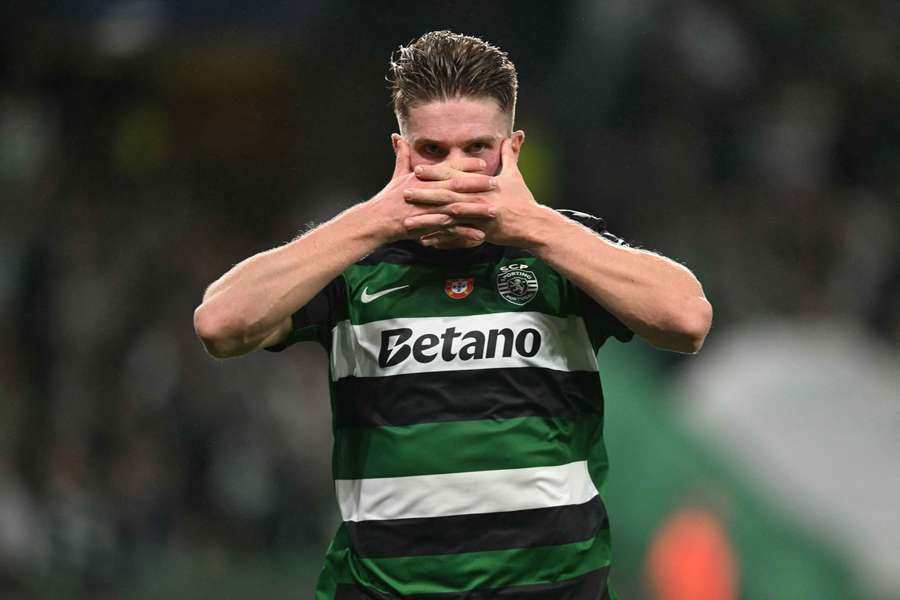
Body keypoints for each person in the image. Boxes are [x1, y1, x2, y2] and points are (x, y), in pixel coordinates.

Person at [194, 30, 712, 600]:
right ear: (401, 151)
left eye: (476, 149)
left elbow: (687, 319)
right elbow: (220, 323)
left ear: (512, 150)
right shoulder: (355, 265)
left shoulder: (560, 252)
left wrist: (531, 224)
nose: (455, 171)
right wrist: (376, 219)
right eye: (432, 151)